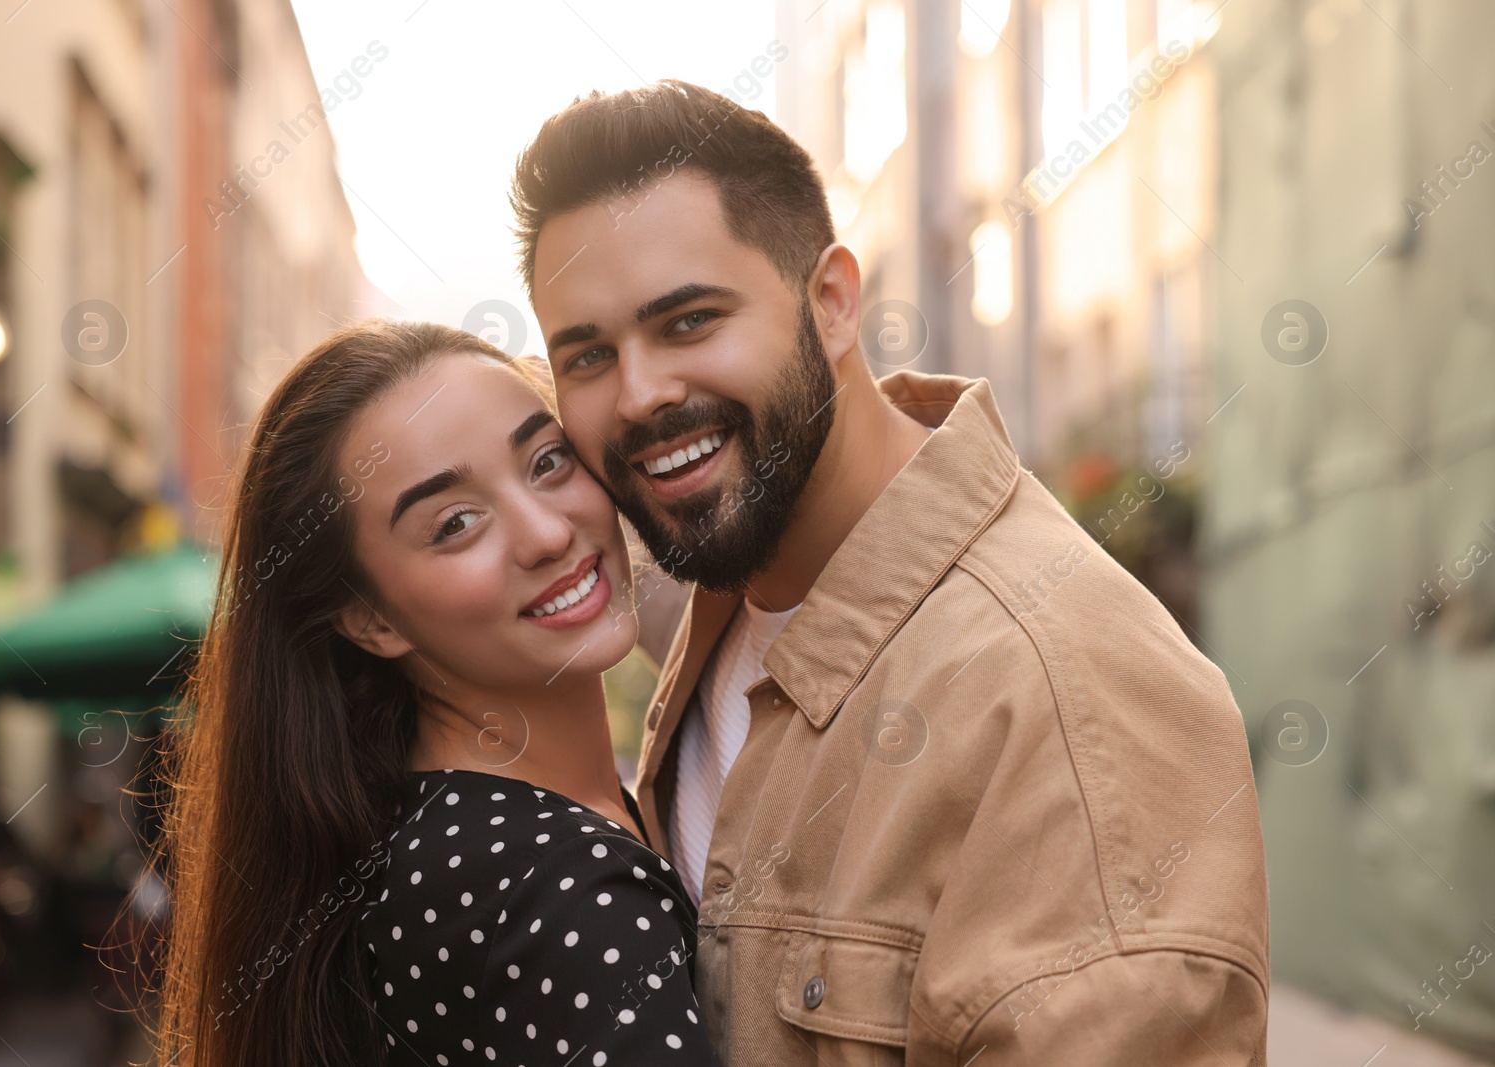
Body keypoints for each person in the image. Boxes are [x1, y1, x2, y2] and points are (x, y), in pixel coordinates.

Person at [513, 80, 1272, 1064]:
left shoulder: (1061, 683)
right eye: (587, 356)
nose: (640, 393)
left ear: (829, 302)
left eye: (689, 320)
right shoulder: (731, 607)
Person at [152, 321, 720, 1067]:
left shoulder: (427, 832)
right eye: (455, 523)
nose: (546, 532)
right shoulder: (554, 884)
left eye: (548, 461)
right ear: (370, 617)